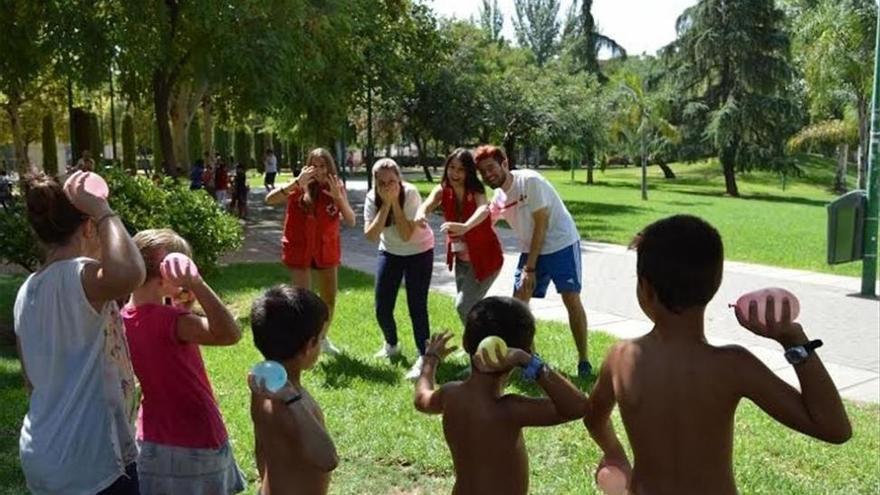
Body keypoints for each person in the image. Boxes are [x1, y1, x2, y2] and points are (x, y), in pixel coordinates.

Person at [583, 215, 852, 495]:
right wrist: (794, 341)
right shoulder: (734, 366)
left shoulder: (620, 358)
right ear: (715, 284)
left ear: (646, 288)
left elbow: (593, 418)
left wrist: (614, 454)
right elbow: (835, 429)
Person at [13, 171, 146, 494]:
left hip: (43, 451)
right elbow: (132, 273)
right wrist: (103, 211)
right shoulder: (80, 276)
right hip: (89, 462)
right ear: (89, 227)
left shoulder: (27, 291)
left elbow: (32, 381)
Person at [413, 296, 587, 495]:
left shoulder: (450, 394)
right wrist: (530, 363)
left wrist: (430, 359)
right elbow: (578, 406)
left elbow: (421, 398)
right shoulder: (510, 409)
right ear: (526, 350)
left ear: (465, 342)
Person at [123, 229, 246, 494]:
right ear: (169, 273)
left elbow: (159, 346)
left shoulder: (122, 318)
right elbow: (230, 334)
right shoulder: (173, 322)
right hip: (195, 438)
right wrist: (199, 285)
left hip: (151, 439)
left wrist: (182, 309)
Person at [473, 145, 591, 378]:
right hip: (532, 248)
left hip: (561, 244)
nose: (487, 175)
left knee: (570, 298)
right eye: (482, 171)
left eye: (491, 168)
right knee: (519, 303)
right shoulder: (499, 197)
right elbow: (487, 222)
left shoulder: (530, 182)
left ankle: (584, 361)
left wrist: (530, 268)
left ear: (504, 164)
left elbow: (542, 225)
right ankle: (531, 362)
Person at [248, 285, 339, 495]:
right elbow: (328, 459)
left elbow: (261, 448)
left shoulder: (260, 388)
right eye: (321, 339)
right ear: (309, 345)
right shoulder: (293, 402)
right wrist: (293, 401)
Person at [265, 148, 355, 356]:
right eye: (314, 165)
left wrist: (338, 198)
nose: (319, 171)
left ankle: (321, 338)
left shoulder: (336, 187)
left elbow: (351, 220)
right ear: (307, 166)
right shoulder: (298, 185)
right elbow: (269, 199)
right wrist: (297, 183)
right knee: (303, 301)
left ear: (330, 167)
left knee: (329, 299)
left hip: (326, 249)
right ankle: (304, 344)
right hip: (301, 249)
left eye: (323, 166)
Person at [364, 158, 436, 380]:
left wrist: (395, 202)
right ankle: (391, 345)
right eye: (382, 183)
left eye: (392, 181)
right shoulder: (371, 198)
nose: (387, 186)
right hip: (390, 252)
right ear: (375, 183)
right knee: (382, 307)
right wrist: (385, 204)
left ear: (400, 179)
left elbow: (406, 235)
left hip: (419, 251)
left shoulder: (411, 193)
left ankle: (424, 357)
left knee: (417, 305)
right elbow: (370, 235)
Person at [415, 148, 502, 323]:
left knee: (463, 306)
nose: (455, 173)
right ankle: (478, 345)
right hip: (462, 260)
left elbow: (483, 209)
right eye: (452, 167)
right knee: (471, 308)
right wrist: (421, 214)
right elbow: (427, 204)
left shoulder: (476, 190)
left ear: (468, 171)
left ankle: (483, 341)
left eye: (461, 169)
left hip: (486, 258)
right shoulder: (442, 190)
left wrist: (465, 227)